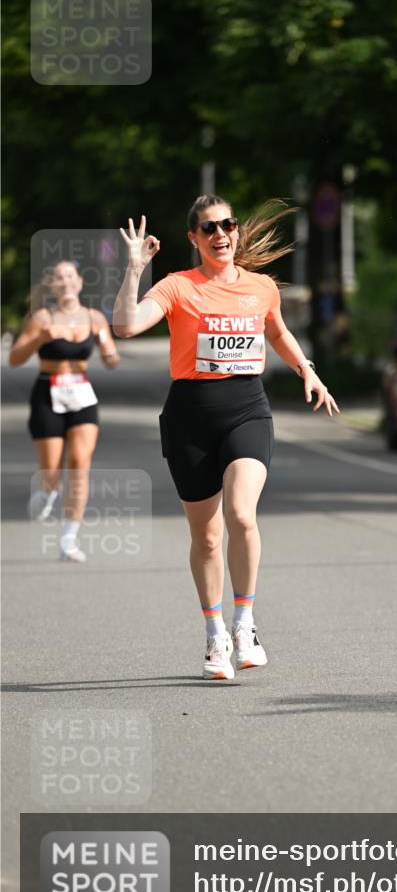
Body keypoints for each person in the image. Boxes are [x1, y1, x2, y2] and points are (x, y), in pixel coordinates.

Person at [112, 197, 339, 681]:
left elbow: (277, 334)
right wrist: (135, 270)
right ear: (194, 237)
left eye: (228, 225)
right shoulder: (177, 287)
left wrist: (308, 371)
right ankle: (214, 633)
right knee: (208, 536)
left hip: (247, 410)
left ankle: (245, 623)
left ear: (236, 231)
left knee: (240, 513)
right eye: (210, 227)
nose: (222, 234)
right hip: (190, 417)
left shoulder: (260, 288)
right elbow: (126, 326)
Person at [9, 260, 120, 561]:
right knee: (52, 470)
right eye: (59, 278)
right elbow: (15, 359)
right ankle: (47, 491)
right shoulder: (41, 318)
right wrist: (39, 339)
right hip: (48, 392)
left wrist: (109, 353)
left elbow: (112, 360)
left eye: (70, 276)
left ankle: (69, 540)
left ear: (80, 282)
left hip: (81, 394)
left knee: (80, 463)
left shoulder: (94, 317)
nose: (65, 282)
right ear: (52, 286)